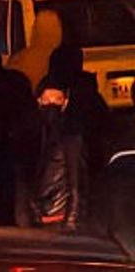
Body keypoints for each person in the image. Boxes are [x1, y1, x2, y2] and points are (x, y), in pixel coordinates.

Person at [24, 81, 87, 230]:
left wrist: (71, 221)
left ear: (65, 103)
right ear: (39, 101)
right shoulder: (32, 136)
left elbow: (76, 183)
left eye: (57, 100)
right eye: (47, 100)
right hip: (38, 218)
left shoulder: (70, 137)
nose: (52, 104)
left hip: (59, 217)